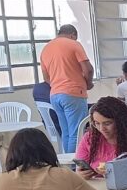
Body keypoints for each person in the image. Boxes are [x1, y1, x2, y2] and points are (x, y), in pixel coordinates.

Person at [40, 24, 93, 153]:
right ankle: (74, 164)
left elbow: (46, 78)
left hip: (55, 95)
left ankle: (68, 162)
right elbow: (88, 69)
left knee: (66, 133)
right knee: (77, 132)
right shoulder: (73, 44)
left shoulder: (45, 49)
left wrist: (58, 85)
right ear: (73, 35)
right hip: (73, 93)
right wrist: (88, 83)